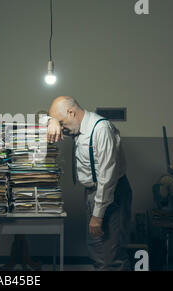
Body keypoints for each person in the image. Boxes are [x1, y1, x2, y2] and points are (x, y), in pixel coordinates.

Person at [47, 96, 133, 271]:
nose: (62, 129)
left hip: (110, 194)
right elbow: (40, 116)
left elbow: (108, 178)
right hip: (93, 193)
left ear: (71, 112)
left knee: (109, 256)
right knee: (97, 249)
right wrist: (51, 121)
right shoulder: (77, 127)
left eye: (62, 122)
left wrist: (98, 215)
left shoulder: (101, 129)